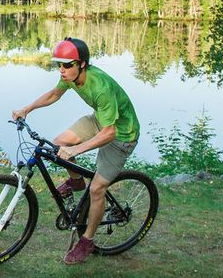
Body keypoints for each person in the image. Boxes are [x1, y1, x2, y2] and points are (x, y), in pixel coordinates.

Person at [11, 37, 140, 265]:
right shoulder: (69, 77)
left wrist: (78, 149)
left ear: (81, 64)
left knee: (98, 188)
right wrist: (26, 109)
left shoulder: (100, 87)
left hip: (121, 135)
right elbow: (54, 94)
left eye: (67, 64)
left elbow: (109, 133)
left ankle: (87, 240)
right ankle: (77, 181)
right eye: (58, 64)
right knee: (60, 143)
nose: (62, 69)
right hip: (100, 121)